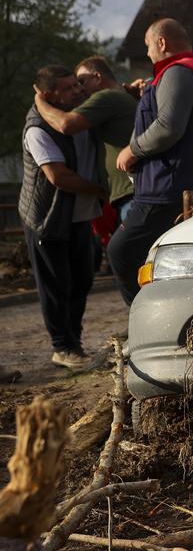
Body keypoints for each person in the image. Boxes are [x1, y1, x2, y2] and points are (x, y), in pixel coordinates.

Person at [108, 17, 193, 306]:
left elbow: (168, 126)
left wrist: (133, 150)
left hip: (168, 188)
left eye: (147, 46)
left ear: (162, 42)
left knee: (122, 250)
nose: (147, 54)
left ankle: (140, 318)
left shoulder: (177, 73)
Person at [19, 65, 107, 369]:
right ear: (48, 96)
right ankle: (63, 347)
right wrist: (100, 189)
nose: (78, 90)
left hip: (78, 215)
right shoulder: (37, 128)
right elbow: (58, 177)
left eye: (76, 85)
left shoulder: (77, 114)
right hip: (48, 218)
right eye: (69, 87)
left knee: (82, 279)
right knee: (56, 285)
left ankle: (74, 343)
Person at [34, 55, 136, 223]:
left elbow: (66, 124)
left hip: (130, 195)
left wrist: (40, 102)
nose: (79, 90)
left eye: (81, 82)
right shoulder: (120, 96)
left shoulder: (106, 97)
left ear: (97, 77)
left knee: (124, 249)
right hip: (129, 194)